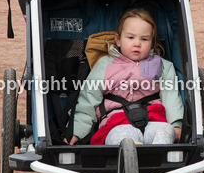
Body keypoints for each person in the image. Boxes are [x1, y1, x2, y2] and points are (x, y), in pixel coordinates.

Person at [69, 8, 184, 145]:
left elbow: (171, 97)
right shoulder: (105, 65)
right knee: (123, 139)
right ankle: (131, 154)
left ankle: (158, 156)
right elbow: (88, 100)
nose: (137, 43)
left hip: (154, 120)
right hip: (117, 123)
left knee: (166, 130)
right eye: (131, 37)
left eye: (144, 39)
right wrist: (77, 131)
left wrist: (175, 124)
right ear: (118, 40)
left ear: (152, 42)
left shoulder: (162, 65)